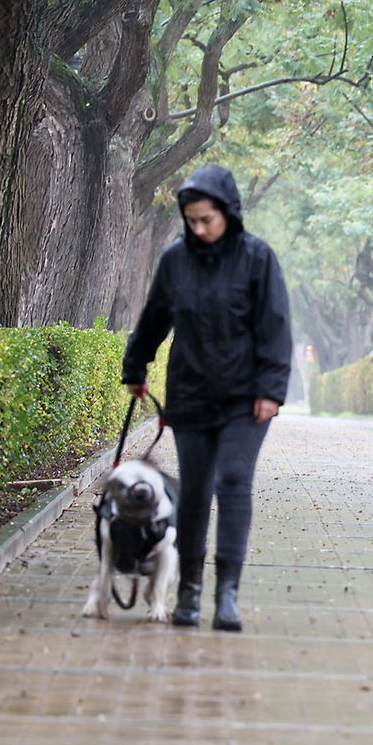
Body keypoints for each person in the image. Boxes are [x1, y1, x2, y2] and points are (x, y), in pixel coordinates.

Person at [121, 164, 291, 632]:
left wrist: (271, 390)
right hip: (192, 393)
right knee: (194, 490)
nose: (199, 229)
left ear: (228, 214)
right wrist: (135, 367)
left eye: (207, 220)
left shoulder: (258, 258)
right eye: (191, 220)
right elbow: (155, 316)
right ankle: (189, 594)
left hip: (245, 397)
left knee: (233, 480)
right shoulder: (176, 260)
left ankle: (228, 597)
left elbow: (275, 327)